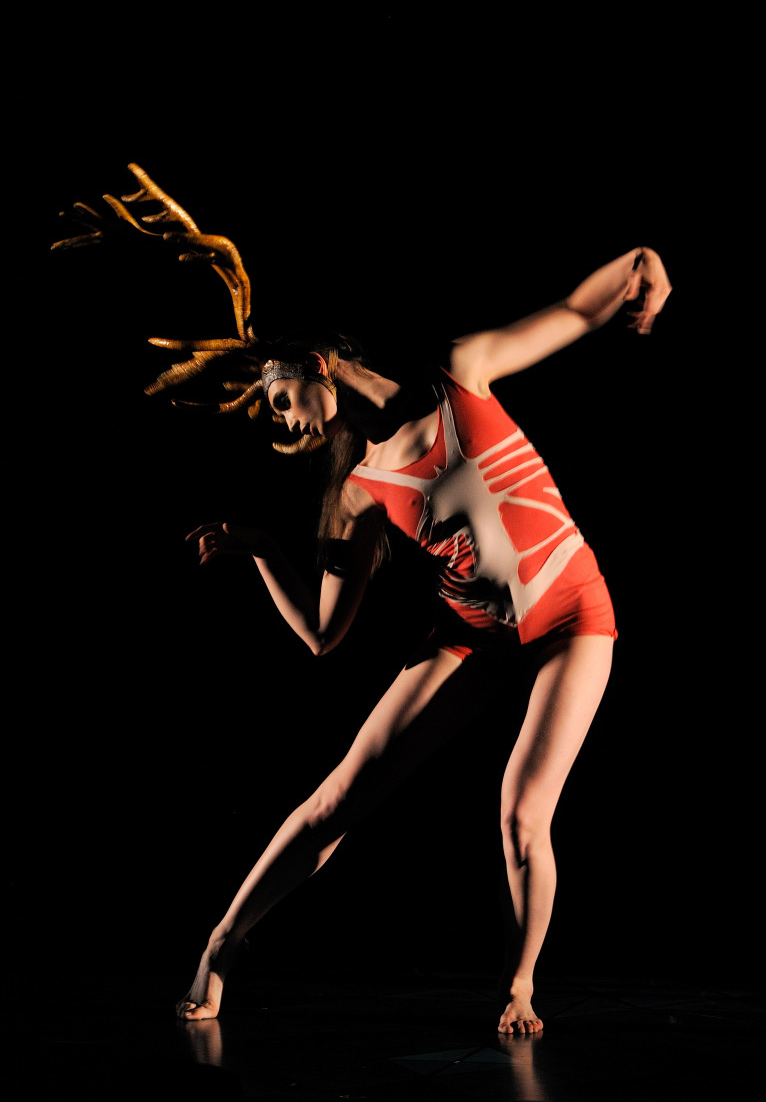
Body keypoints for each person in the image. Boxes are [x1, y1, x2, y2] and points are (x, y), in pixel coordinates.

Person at [176, 245, 671, 1034]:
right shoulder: (356, 491)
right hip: (469, 633)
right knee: (338, 797)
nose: (283, 420)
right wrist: (266, 551)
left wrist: (642, 264)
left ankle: (518, 986)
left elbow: (579, 310)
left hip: (573, 616)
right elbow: (322, 635)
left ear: (316, 365)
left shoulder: (460, 373)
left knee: (522, 814)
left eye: (280, 399)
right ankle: (221, 945)